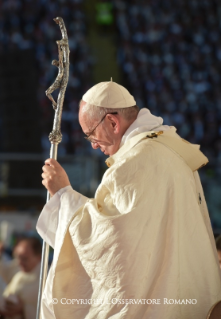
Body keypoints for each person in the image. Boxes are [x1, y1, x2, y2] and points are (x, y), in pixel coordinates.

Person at [37, 80, 221, 319]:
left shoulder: (134, 162)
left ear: (113, 122)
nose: (93, 145)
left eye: (91, 134)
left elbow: (108, 241)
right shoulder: (171, 149)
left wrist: (63, 194)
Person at [1, 237, 42, 319]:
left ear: (38, 257)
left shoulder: (46, 280)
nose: (19, 262)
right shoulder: (19, 274)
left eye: (24, 259)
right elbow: (5, 270)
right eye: (18, 257)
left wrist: (23, 309)